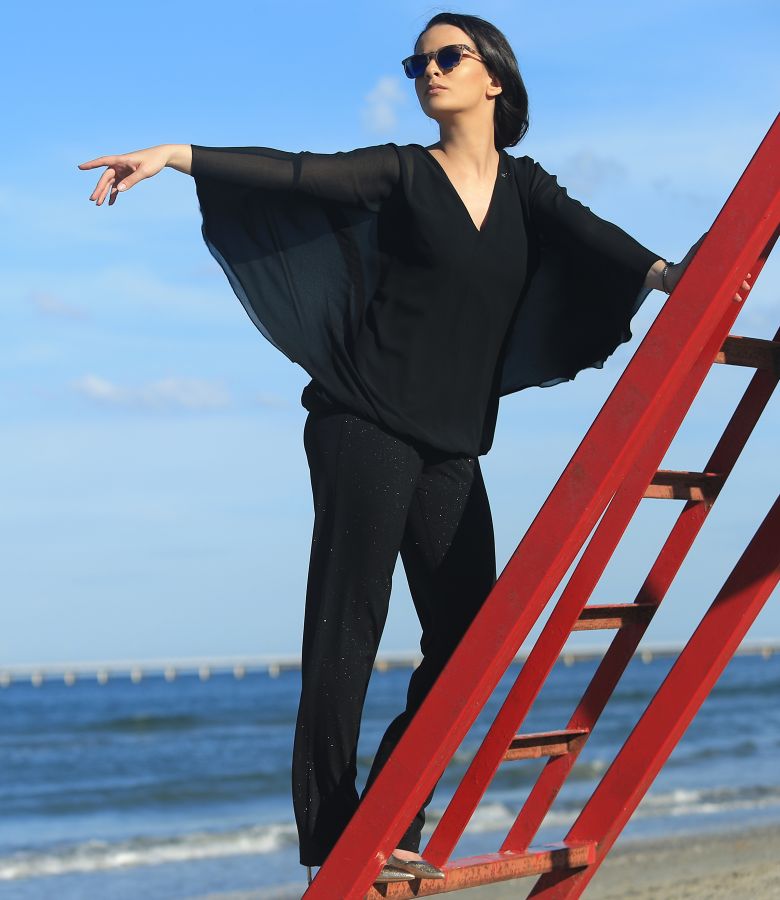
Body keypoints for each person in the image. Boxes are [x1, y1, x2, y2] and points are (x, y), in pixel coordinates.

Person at [78, 10, 752, 887]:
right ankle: (333, 835)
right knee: (348, 625)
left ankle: (392, 811)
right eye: (417, 62)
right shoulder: (400, 173)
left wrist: (672, 274)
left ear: (493, 79)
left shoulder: (525, 188)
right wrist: (177, 155)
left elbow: (607, 246)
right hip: (363, 420)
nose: (427, 71)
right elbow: (296, 173)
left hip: (449, 441)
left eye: (447, 57)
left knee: (471, 633)